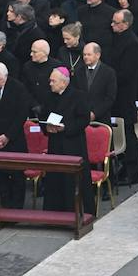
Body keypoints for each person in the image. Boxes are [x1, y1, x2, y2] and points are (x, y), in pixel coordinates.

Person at [0, 63, 35, 209]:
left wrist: (7, 136)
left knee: (17, 176)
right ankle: (3, 206)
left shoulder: (18, 88)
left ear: (5, 76)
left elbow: (21, 114)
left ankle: (16, 208)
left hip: (14, 139)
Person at [40, 67, 92, 213]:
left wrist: (66, 127)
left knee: (72, 180)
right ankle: (54, 212)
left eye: (53, 81)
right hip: (55, 144)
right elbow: (42, 116)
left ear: (63, 83)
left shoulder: (78, 96)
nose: (50, 83)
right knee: (55, 179)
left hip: (73, 144)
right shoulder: (49, 96)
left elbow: (83, 120)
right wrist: (46, 128)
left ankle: (74, 211)